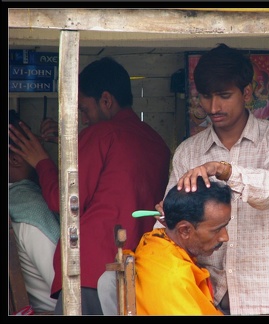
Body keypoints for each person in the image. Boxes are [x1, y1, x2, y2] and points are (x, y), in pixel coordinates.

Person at [8, 57, 171, 315]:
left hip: (92, 272)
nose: (83, 119)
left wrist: (41, 160)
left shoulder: (101, 134)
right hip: (138, 269)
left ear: (106, 100)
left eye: (84, 110)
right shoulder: (156, 141)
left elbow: (62, 201)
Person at [154, 44, 269, 315]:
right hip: (207, 296)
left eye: (224, 96)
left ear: (246, 93)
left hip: (268, 296)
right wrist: (167, 215)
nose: (213, 107)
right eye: (206, 97)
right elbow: (171, 228)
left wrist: (225, 170)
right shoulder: (188, 151)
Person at [98, 176, 231, 315]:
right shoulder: (172, 278)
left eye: (225, 226)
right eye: (217, 230)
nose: (225, 237)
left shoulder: (156, 242)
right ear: (184, 230)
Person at [8, 110, 60, 313]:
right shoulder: (32, 208)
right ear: (14, 160)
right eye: (31, 142)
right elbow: (66, 281)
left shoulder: (20, 197)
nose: (40, 144)